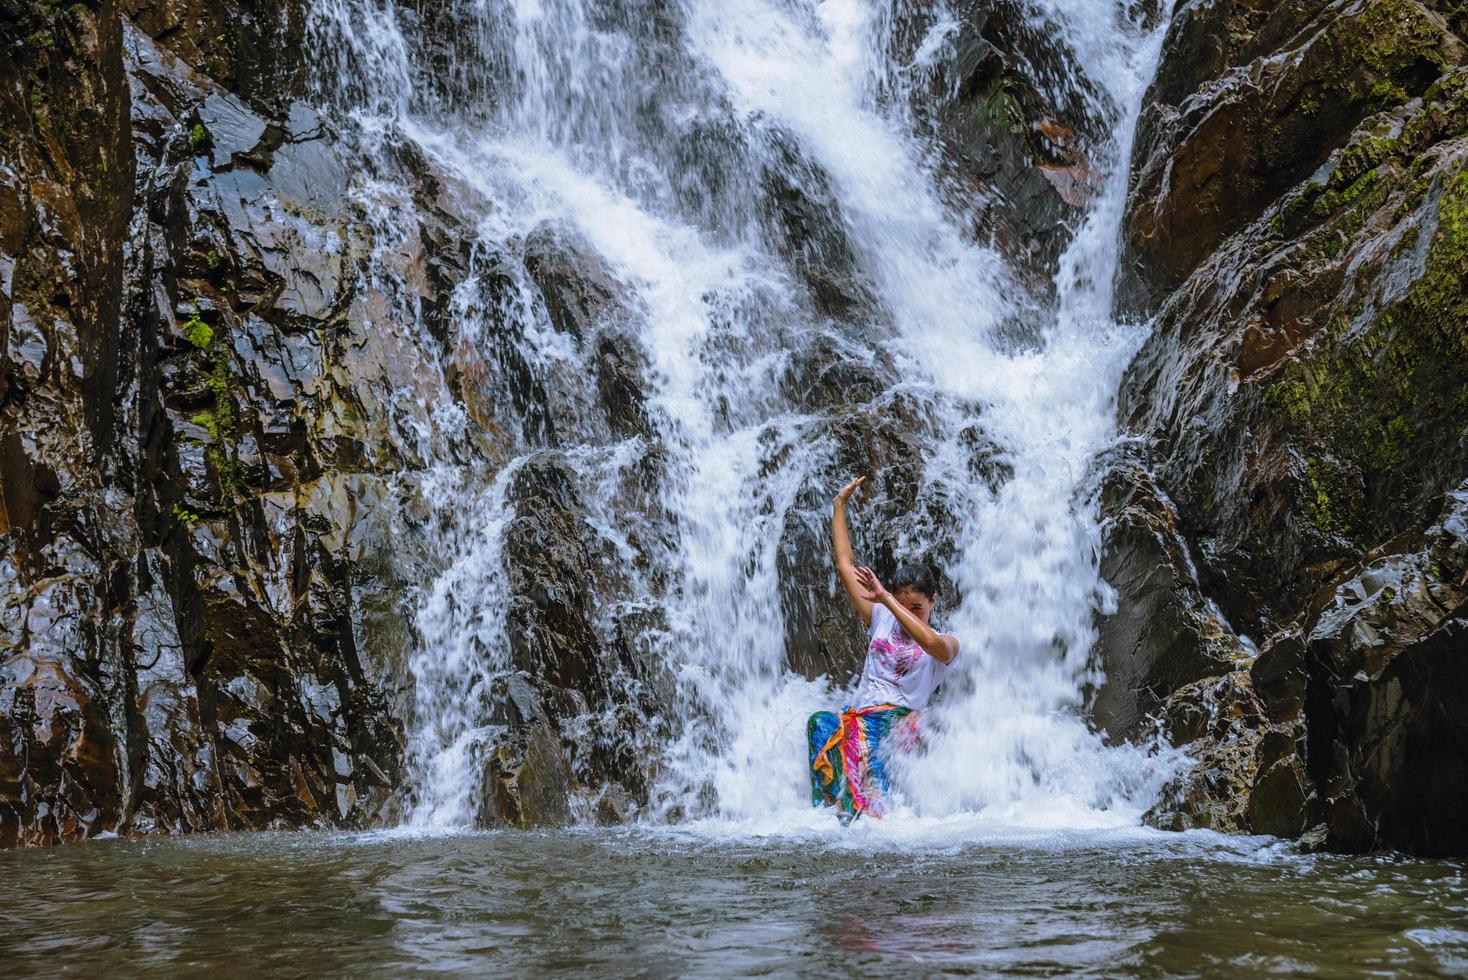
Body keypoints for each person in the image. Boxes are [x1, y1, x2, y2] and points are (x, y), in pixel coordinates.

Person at [808, 475, 959, 824]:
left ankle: (874, 817)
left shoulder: (949, 641)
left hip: (898, 719)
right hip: (861, 716)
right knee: (820, 723)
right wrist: (839, 506)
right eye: (901, 606)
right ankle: (832, 814)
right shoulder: (880, 617)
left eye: (915, 608)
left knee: (868, 737)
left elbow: (933, 645)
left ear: (933, 601)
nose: (906, 614)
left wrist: (891, 602)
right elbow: (845, 564)